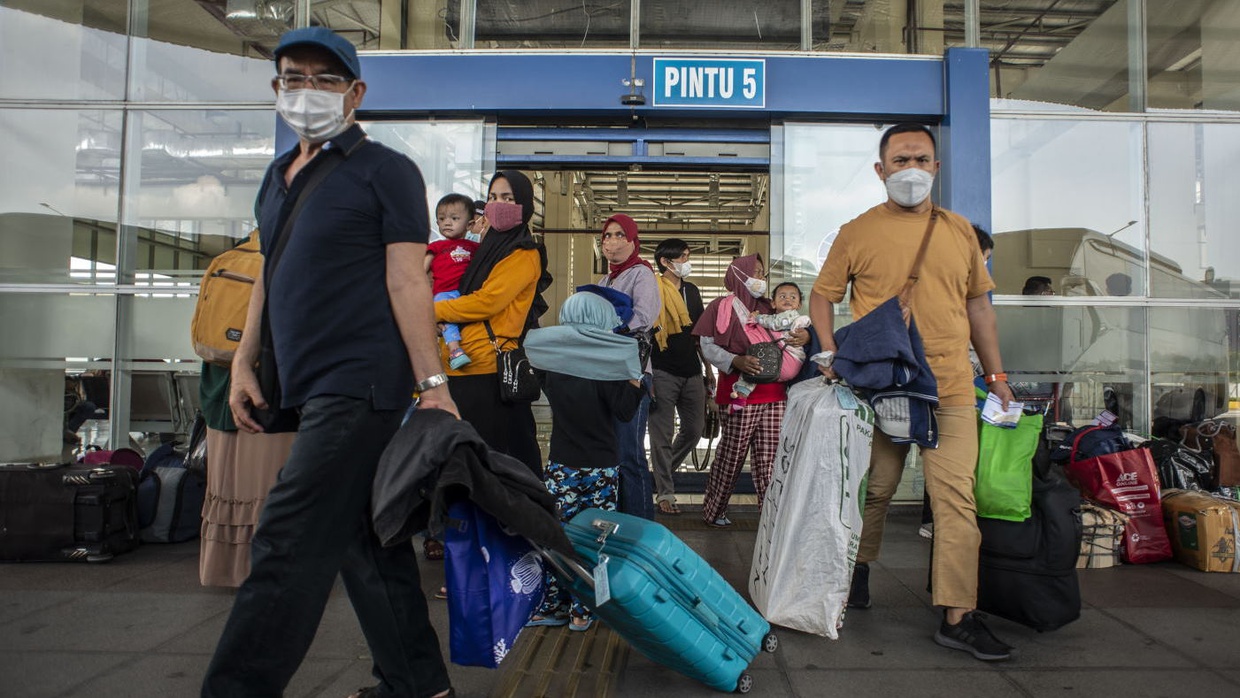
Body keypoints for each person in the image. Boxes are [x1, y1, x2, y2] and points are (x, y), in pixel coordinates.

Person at [201, 28, 456, 698]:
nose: (307, 90)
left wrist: (433, 385)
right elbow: (266, 274)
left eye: (324, 78)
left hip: (362, 382)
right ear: (277, 87)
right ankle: (419, 683)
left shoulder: (386, 171)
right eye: (294, 76)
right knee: (365, 539)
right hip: (306, 382)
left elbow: (408, 282)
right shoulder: (278, 176)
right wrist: (243, 362)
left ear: (355, 92)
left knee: (285, 539)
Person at [809, 123, 1016, 662]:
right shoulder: (857, 231)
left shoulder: (960, 231)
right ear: (880, 171)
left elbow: (979, 309)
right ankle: (857, 569)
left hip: (948, 387)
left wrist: (997, 377)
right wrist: (831, 356)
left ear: (936, 168)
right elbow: (822, 296)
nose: (911, 170)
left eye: (921, 159)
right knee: (875, 489)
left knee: (955, 500)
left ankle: (958, 614)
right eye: (900, 160)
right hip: (883, 388)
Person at [522, 292, 644, 631]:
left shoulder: (551, 362)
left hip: (561, 464)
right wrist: (635, 377)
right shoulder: (607, 365)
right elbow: (624, 411)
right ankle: (583, 610)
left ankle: (553, 606)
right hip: (602, 467)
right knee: (595, 541)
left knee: (559, 537)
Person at [435, 171, 550, 476]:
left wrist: (433, 311)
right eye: (493, 197)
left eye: (508, 198)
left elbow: (488, 301)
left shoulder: (523, 252)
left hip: (488, 370)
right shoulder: (485, 249)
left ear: (524, 204)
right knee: (467, 461)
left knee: (493, 461)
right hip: (461, 367)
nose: (497, 204)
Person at [693, 254, 808, 528]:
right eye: (754, 273)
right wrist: (735, 360)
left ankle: (772, 516)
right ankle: (714, 510)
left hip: (775, 394)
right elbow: (707, 346)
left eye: (762, 273)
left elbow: (791, 330)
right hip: (739, 394)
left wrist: (806, 336)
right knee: (731, 456)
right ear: (739, 275)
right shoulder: (719, 308)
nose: (761, 279)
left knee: (770, 458)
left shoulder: (769, 306)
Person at [921, 224, 995, 541]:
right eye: (984, 257)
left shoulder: (971, 295)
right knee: (882, 483)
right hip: (919, 389)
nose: (985, 265)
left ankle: (938, 523)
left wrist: (994, 377)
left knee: (951, 474)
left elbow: (981, 337)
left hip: (956, 393)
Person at [198, 360, 296, 588]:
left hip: (225, 385)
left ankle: (229, 567)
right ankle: (270, 567)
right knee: (271, 481)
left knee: (236, 482)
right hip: (269, 384)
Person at [597, 214, 661, 520]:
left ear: (633, 240)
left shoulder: (641, 274)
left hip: (633, 374)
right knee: (613, 453)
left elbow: (644, 317)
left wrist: (611, 329)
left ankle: (643, 525)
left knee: (630, 455)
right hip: (607, 371)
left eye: (619, 235)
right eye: (607, 235)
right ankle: (622, 520)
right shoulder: (604, 280)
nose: (611, 241)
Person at [648, 238, 714, 516]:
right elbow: (644, 333)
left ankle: (659, 476)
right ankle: (665, 492)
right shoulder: (651, 289)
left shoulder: (692, 291)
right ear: (666, 262)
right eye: (683, 257)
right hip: (662, 370)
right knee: (661, 434)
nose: (687, 262)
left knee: (694, 429)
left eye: (687, 256)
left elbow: (698, 334)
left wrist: (708, 369)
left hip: (692, 371)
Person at [727, 281, 812, 412]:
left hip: (790, 360)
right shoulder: (775, 317)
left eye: (793, 297)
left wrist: (757, 317)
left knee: (755, 363)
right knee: (754, 365)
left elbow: (775, 323)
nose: (788, 299)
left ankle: (741, 393)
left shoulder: (791, 316)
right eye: (782, 296)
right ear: (773, 303)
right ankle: (741, 395)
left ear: (799, 305)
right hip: (784, 366)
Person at [427, 193, 481, 370]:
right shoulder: (435, 246)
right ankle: (455, 350)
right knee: (447, 319)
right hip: (444, 293)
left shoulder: (476, 248)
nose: (447, 222)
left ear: (470, 224)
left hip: (466, 294)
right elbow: (420, 270)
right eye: (442, 219)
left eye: (454, 218)